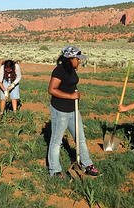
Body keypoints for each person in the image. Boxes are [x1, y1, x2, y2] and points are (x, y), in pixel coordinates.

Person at [47, 46, 99, 177]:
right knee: (56, 142)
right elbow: (52, 89)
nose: (79, 61)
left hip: (73, 110)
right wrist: (71, 96)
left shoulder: (72, 70)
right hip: (60, 111)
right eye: (77, 58)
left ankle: (87, 165)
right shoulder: (59, 70)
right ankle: (54, 170)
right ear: (70, 58)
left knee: (80, 139)